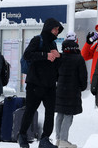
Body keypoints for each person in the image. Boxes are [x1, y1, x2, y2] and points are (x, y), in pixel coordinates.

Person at [18, 18, 63, 148]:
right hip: (35, 84)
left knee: (50, 112)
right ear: (49, 28)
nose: (56, 32)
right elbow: (27, 55)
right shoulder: (37, 40)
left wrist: (58, 56)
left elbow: (56, 64)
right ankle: (22, 136)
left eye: (58, 30)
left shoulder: (54, 44)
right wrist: (45, 55)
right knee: (30, 111)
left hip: (49, 85)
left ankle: (45, 139)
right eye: (55, 29)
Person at [55, 32, 87, 148]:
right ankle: (63, 140)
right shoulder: (79, 59)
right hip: (72, 91)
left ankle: (58, 139)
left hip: (60, 90)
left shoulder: (61, 57)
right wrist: (82, 87)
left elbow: (55, 74)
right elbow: (83, 76)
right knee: (68, 115)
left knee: (60, 114)